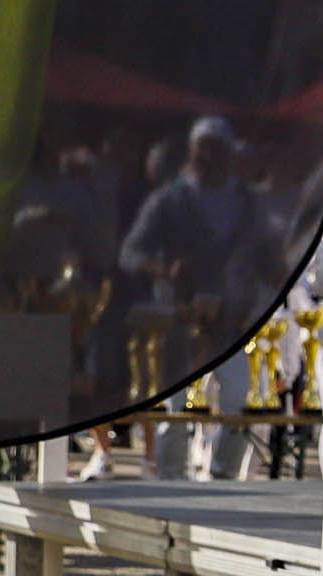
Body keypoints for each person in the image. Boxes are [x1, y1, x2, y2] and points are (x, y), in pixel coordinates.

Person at [119, 115, 279, 480]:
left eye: (215, 150)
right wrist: (163, 270)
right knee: (176, 409)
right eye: (201, 148)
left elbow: (267, 254)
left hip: (231, 323)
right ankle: (170, 482)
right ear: (191, 150)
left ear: (228, 154)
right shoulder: (170, 200)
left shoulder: (245, 202)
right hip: (180, 320)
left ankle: (221, 475)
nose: (207, 157)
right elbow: (130, 252)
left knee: (240, 399)